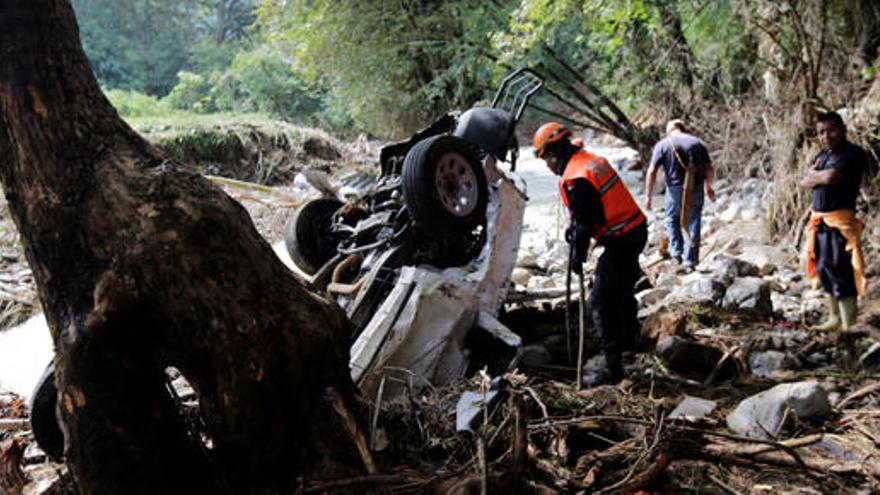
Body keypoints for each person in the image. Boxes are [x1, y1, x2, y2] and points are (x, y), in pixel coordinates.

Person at [533, 123, 647, 386]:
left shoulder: (575, 177)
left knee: (601, 300)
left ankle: (613, 366)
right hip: (634, 229)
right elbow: (590, 213)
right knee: (622, 289)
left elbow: (585, 221)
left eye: (546, 160)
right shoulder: (588, 161)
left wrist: (577, 256)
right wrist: (574, 231)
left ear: (553, 154)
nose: (548, 167)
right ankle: (631, 342)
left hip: (622, 238)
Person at [801, 111, 867, 332]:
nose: (826, 136)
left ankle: (850, 325)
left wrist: (815, 176)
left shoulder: (852, 154)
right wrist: (815, 176)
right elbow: (804, 179)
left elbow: (831, 177)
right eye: (821, 132)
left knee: (841, 271)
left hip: (840, 223)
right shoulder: (823, 156)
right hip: (820, 223)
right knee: (825, 269)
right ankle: (834, 318)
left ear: (842, 130)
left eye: (831, 130)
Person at [645, 119, 715, 271]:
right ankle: (690, 262)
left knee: (672, 219)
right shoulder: (698, 143)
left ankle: (676, 253)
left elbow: (652, 171)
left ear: (669, 130)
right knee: (694, 221)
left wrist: (648, 196)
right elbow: (709, 169)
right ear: (683, 129)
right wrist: (708, 188)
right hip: (695, 187)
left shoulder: (663, 144)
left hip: (674, 189)